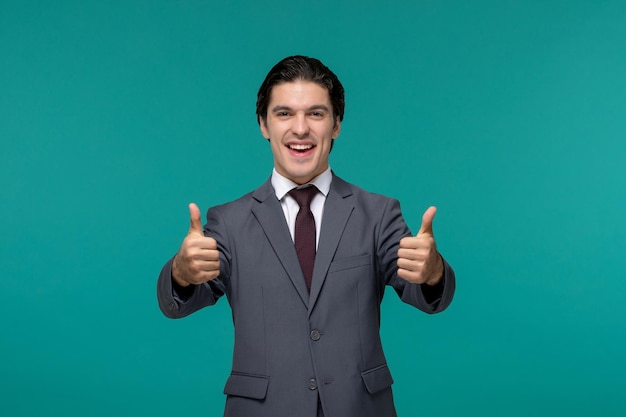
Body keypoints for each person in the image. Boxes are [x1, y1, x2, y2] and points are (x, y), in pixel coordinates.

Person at [157, 55, 455, 417]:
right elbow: (182, 300)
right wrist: (182, 274)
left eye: (316, 113)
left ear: (336, 125)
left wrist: (433, 271)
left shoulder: (378, 213)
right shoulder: (229, 221)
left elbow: (424, 292)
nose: (300, 129)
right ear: (263, 124)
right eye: (284, 114)